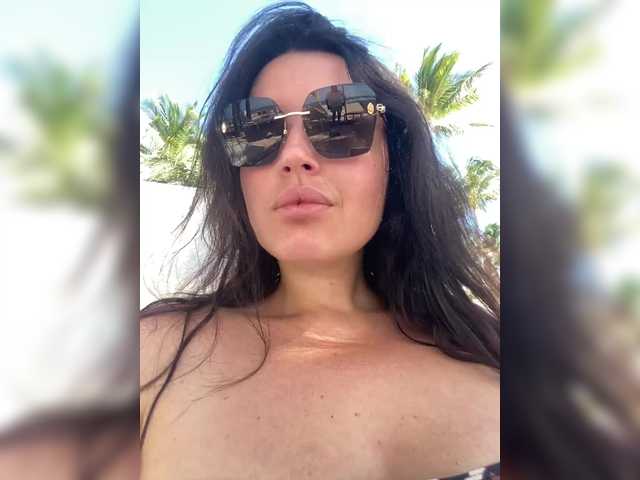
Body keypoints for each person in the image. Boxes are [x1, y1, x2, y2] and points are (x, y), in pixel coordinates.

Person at [140, 3, 500, 479]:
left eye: (339, 121)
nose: (293, 154)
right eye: (256, 129)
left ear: (393, 159)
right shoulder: (152, 356)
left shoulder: (500, 353)